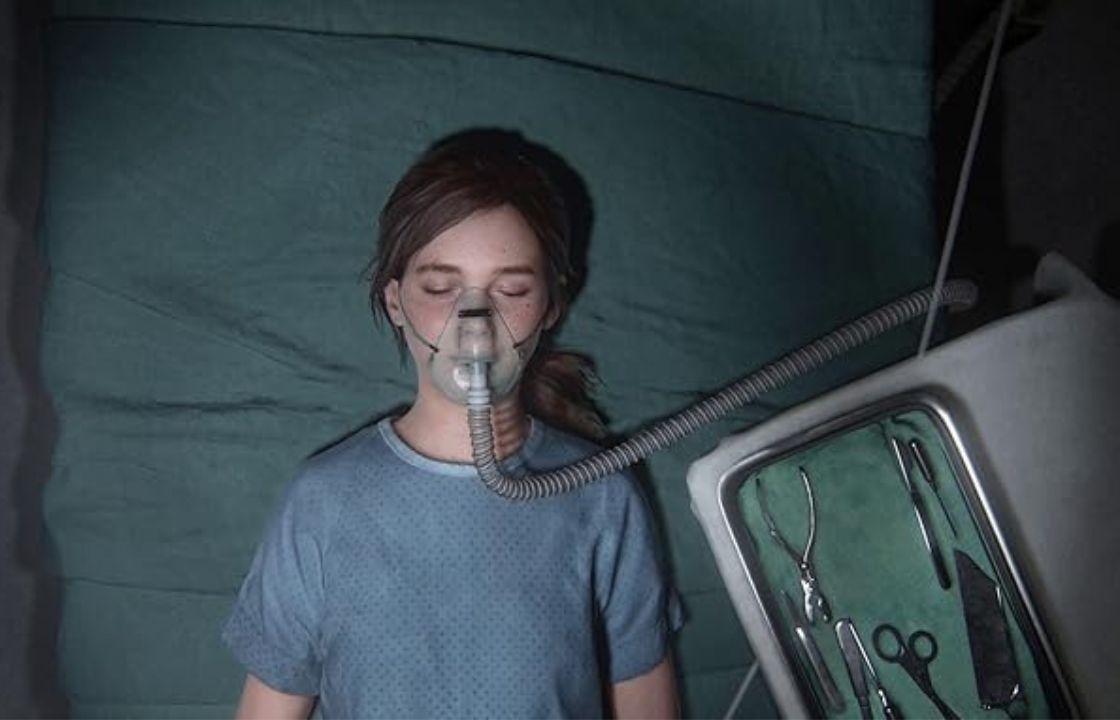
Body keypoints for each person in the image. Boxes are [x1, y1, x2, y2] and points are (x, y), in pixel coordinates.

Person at [222, 129, 683, 719]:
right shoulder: (323, 503)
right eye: (441, 287)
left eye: (511, 289)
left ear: (550, 304)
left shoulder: (601, 494)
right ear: (395, 301)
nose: (475, 324)